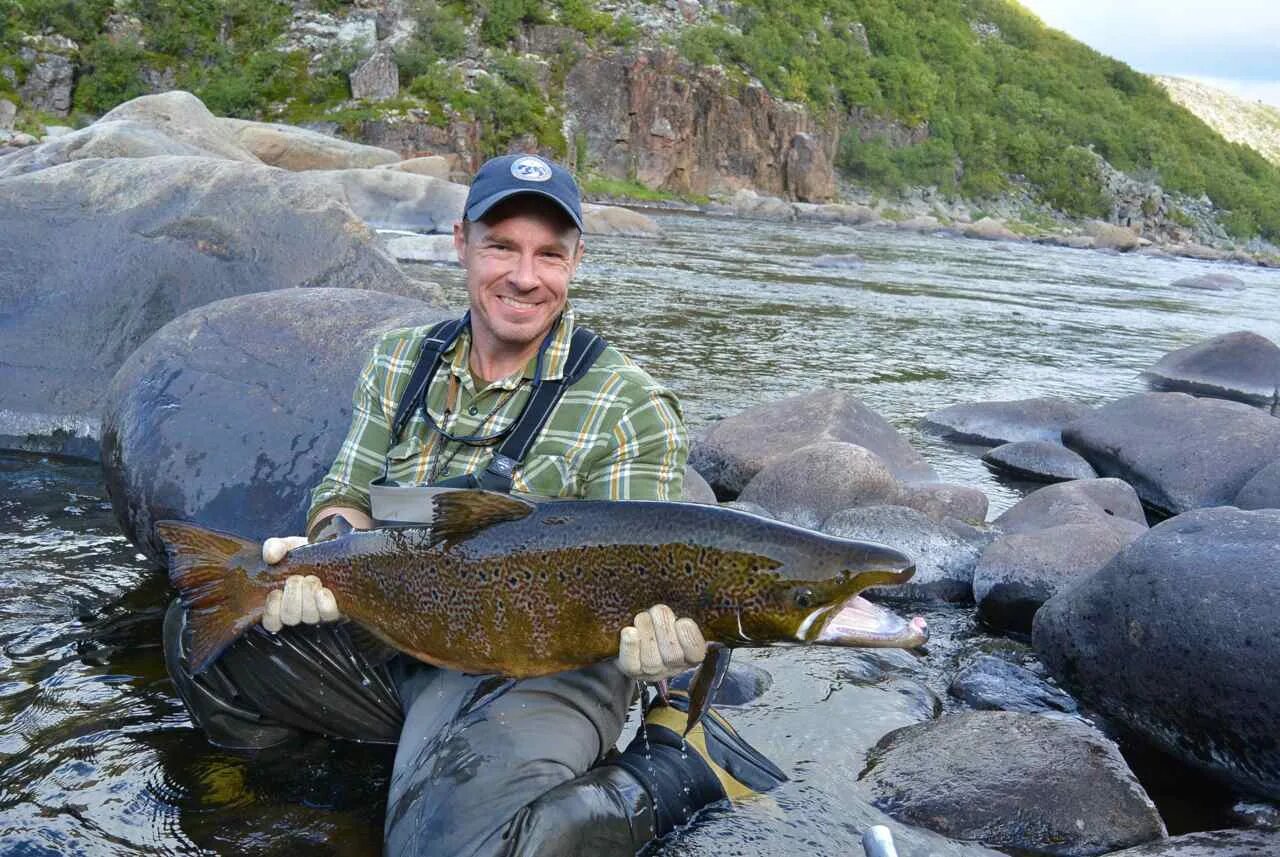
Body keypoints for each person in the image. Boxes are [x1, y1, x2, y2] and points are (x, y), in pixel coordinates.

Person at [163, 153, 783, 856]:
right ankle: (333, 795)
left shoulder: (628, 404)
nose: (525, 276)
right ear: (461, 242)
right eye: (502, 247)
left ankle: (669, 771)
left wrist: (663, 651)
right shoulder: (401, 359)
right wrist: (317, 561)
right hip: (401, 627)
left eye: (549, 254)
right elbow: (347, 495)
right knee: (200, 630)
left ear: (577, 259)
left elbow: (639, 572)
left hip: (539, 668)